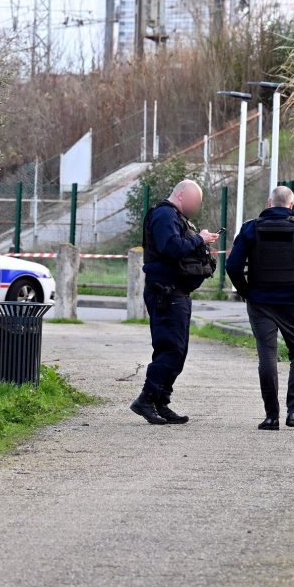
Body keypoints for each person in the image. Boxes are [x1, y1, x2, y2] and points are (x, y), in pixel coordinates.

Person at [226, 186, 294, 431]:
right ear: (291, 205)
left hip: (260, 301)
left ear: (270, 202)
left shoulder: (251, 228)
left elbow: (233, 265)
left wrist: (246, 291)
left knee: (267, 355)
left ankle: (271, 416)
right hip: (293, 301)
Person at [130, 179, 219, 426]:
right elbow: (171, 248)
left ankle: (161, 401)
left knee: (178, 350)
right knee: (170, 348)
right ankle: (146, 399)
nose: (197, 207)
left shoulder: (175, 217)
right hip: (165, 292)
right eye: (196, 201)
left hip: (177, 292)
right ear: (182, 195)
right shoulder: (164, 215)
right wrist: (199, 239)